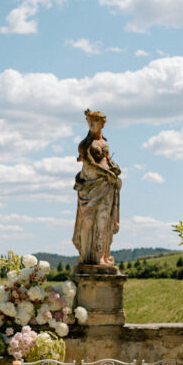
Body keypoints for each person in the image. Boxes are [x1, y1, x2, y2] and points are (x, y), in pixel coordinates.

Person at [72, 108, 121, 267]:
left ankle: (101, 257)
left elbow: (106, 159)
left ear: (102, 124)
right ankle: (86, 257)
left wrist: (114, 168)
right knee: (87, 222)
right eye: (89, 121)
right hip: (90, 187)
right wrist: (106, 173)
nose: (91, 124)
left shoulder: (104, 142)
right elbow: (90, 164)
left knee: (104, 220)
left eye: (95, 121)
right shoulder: (84, 144)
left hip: (105, 186)